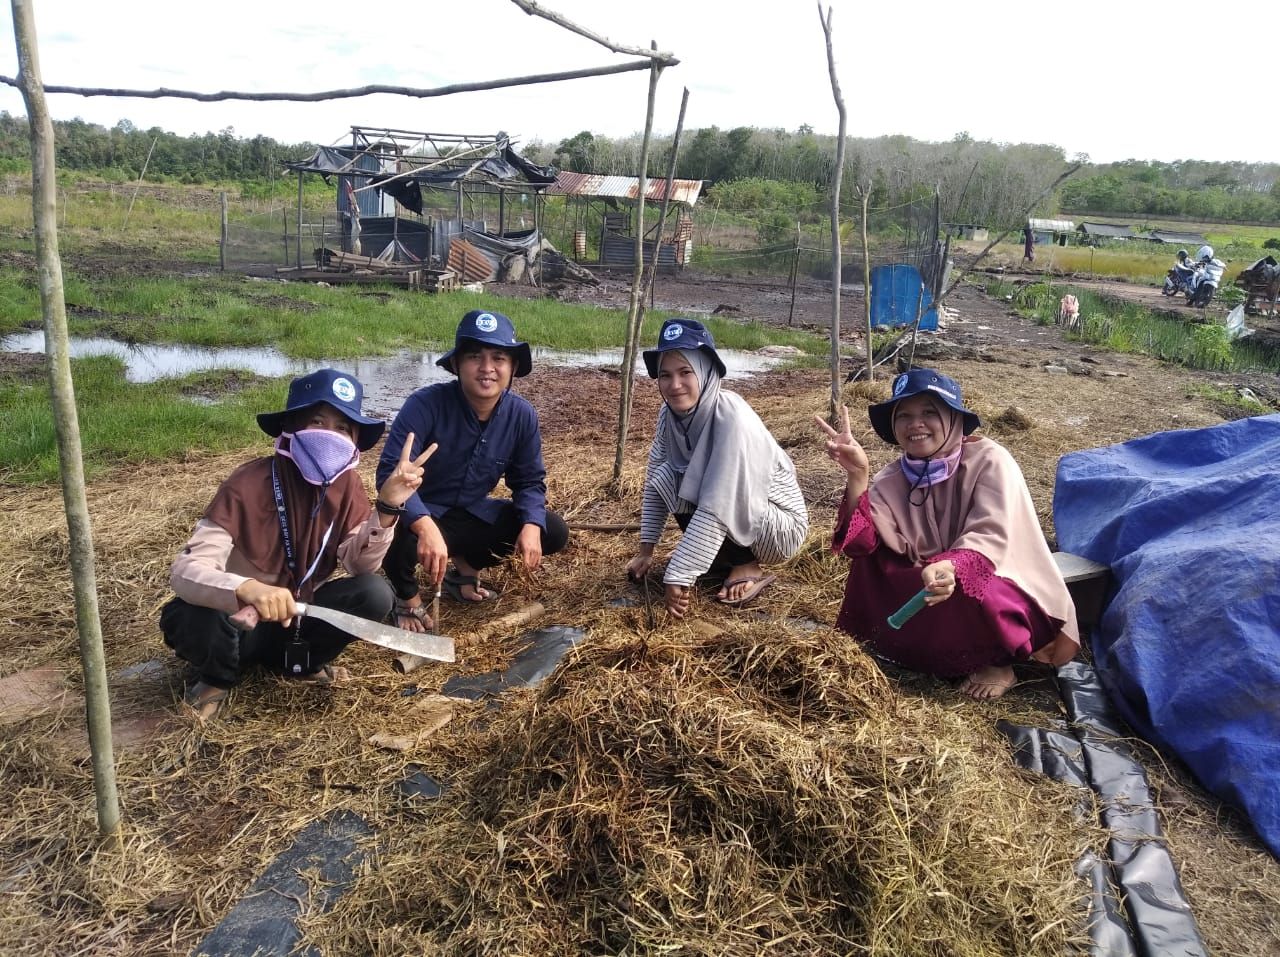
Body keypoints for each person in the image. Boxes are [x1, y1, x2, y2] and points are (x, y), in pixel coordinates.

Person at [160, 368, 434, 720]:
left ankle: (303, 663)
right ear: (291, 428)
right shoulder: (248, 482)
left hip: (296, 623)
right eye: (317, 422)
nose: (330, 436)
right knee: (188, 615)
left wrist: (387, 507)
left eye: (342, 429)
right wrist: (247, 588)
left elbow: (360, 566)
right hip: (239, 623)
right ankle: (217, 678)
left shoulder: (347, 486)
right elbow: (186, 571)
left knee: (375, 592)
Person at [814, 368, 1078, 699]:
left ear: (954, 419)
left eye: (929, 413)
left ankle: (998, 662)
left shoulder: (991, 460)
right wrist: (858, 475)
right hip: (931, 581)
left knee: (974, 583)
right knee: (873, 561)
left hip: (996, 570)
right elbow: (860, 543)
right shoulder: (890, 479)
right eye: (904, 416)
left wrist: (952, 566)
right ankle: (910, 648)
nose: (915, 424)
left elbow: (991, 534)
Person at [378, 309, 569, 631]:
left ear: (513, 367)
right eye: (474, 356)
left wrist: (532, 525)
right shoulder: (425, 404)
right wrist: (424, 527)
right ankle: (405, 596)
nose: (487, 368)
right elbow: (388, 473)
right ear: (456, 364)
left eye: (499, 358)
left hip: (470, 513)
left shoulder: (521, 416)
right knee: (389, 521)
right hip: (422, 513)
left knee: (552, 528)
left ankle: (465, 567)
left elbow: (529, 481)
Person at [626, 318, 808, 619]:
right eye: (665, 375)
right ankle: (718, 560)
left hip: (778, 527)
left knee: (715, 488)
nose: (674, 385)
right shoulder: (669, 415)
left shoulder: (732, 418)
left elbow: (720, 501)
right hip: (733, 510)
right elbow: (654, 478)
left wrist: (679, 574)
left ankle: (747, 564)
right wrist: (646, 550)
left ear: (707, 372)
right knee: (667, 475)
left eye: (686, 372)